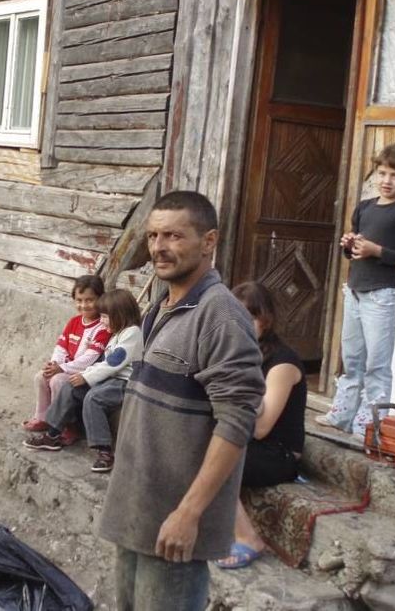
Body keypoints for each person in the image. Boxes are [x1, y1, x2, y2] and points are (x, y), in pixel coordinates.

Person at [97, 191, 265, 611]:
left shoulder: (221, 316)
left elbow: (236, 420)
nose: (158, 247)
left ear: (209, 241)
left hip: (174, 526)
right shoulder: (161, 307)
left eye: (173, 235)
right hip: (138, 512)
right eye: (153, 235)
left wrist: (189, 513)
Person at [316, 143, 395, 436]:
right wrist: (349, 247)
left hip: (381, 295)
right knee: (352, 359)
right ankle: (342, 414)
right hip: (354, 289)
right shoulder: (364, 207)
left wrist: (378, 250)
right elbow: (352, 256)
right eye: (382, 173)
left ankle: (370, 423)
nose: (387, 180)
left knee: (377, 363)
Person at [215, 281, 306, 569]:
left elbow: (262, 428)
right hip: (245, 438)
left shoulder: (282, 362)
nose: (241, 325)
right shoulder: (236, 354)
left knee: (209, 456)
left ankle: (248, 536)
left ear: (265, 319)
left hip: (277, 453)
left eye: (250, 317)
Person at [23, 288, 143, 473]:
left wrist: (86, 377)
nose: (101, 321)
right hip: (108, 377)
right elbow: (103, 363)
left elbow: (114, 362)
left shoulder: (132, 333)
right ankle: (53, 434)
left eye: (105, 316)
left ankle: (104, 451)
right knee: (71, 387)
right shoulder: (116, 334)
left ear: (120, 314)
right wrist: (83, 376)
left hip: (124, 382)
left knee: (94, 398)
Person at [22, 275, 111, 442]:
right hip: (66, 368)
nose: (83, 305)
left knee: (58, 382)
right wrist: (54, 363)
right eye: (79, 300)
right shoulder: (74, 322)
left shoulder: (103, 326)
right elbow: (61, 347)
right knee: (41, 376)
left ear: (101, 298)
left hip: (84, 374)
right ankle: (43, 417)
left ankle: (68, 425)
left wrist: (62, 369)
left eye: (90, 300)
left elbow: (89, 359)